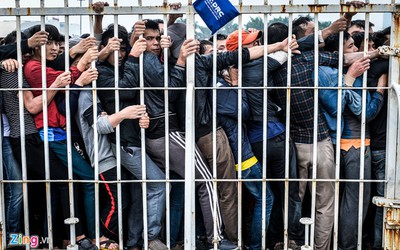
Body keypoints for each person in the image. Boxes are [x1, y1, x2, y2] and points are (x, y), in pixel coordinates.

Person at [23, 24, 99, 249]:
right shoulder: (34, 68)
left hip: (57, 131)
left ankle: (64, 238)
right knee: (87, 179)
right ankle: (89, 236)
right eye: (51, 43)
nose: (55, 48)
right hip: (50, 133)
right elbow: (65, 77)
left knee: (63, 185)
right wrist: (82, 62)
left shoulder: (41, 65)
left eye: (58, 43)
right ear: (37, 44)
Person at [96, 24, 168, 250]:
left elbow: (134, 99)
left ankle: (134, 242)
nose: (121, 55)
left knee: (137, 195)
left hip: (134, 140)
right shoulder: (101, 72)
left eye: (124, 50)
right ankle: (151, 236)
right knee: (158, 185)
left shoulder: (122, 67)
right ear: (105, 49)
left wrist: (142, 119)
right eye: (114, 50)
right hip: (124, 145)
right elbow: (124, 91)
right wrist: (135, 57)